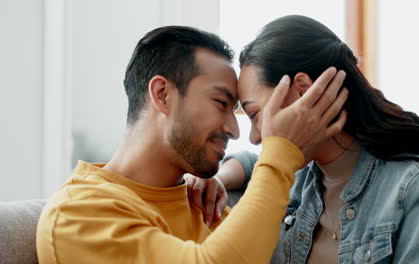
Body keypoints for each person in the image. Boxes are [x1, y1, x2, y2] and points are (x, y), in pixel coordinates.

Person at [36, 25, 349, 263]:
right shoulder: (78, 215)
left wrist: (221, 175)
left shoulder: (203, 203)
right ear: (162, 94)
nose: (234, 129)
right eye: (220, 103)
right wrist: (281, 151)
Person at [220, 15, 419, 263]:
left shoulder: (413, 189)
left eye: (254, 115)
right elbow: (257, 165)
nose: (253, 137)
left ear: (302, 91)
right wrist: (218, 179)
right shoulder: (297, 176)